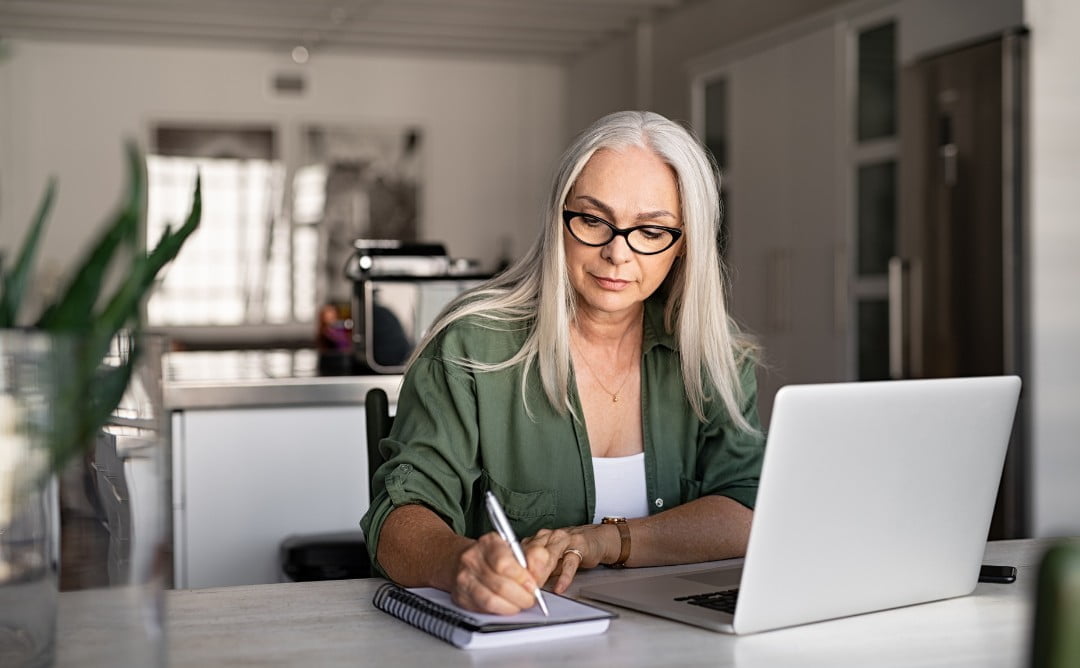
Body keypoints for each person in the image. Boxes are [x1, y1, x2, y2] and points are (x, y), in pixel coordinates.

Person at [360, 110, 764, 615]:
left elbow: (747, 511)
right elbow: (398, 517)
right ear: (559, 219)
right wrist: (458, 563)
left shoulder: (714, 354)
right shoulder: (470, 345)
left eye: (651, 230)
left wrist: (603, 541)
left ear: (684, 245)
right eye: (593, 220)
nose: (618, 253)